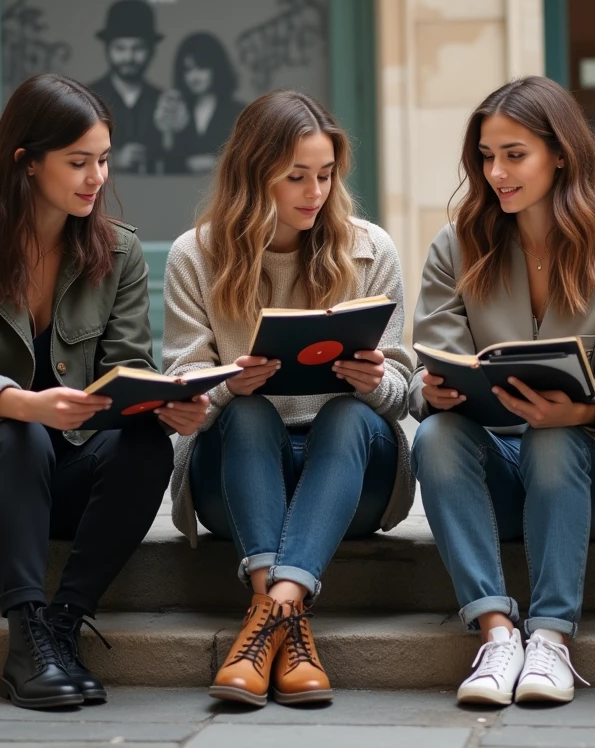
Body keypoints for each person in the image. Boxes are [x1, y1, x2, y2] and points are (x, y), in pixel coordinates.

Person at [0, 74, 203, 709]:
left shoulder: (117, 250)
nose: (96, 177)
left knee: (144, 441)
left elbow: (125, 368)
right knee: (19, 432)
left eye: (104, 160)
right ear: (26, 163)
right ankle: (26, 643)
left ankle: (64, 623)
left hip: (65, 471)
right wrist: (26, 404)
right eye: (78, 162)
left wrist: (165, 407)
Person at [409, 76, 595, 706]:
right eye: (486, 157)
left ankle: (550, 638)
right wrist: (431, 391)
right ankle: (496, 633)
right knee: (436, 434)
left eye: (513, 155)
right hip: (496, 471)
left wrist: (579, 410)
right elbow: (429, 367)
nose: (496, 172)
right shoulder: (456, 247)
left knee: (553, 437)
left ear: (560, 155)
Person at [162, 89, 415, 707]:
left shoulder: (370, 249)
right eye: (296, 176)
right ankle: (288, 623)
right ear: (254, 176)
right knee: (248, 413)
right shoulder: (196, 254)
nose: (315, 191)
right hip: (237, 481)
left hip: (354, 476)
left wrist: (374, 380)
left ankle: (264, 622)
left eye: (326, 175)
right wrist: (227, 383)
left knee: (349, 414)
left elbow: (403, 391)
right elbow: (182, 398)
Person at [89, 0, 165, 174]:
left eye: (138, 48)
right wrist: (113, 159)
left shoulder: (164, 100)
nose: (129, 57)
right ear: (107, 49)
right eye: (120, 48)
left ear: (152, 51)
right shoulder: (86, 98)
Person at [156, 31, 243, 175]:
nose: (194, 77)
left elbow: (248, 160)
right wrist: (167, 133)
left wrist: (217, 163)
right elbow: (165, 163)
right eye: (188, 70)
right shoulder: (174, 108)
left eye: (201, 68)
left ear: (217, 68)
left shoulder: (238, 111)